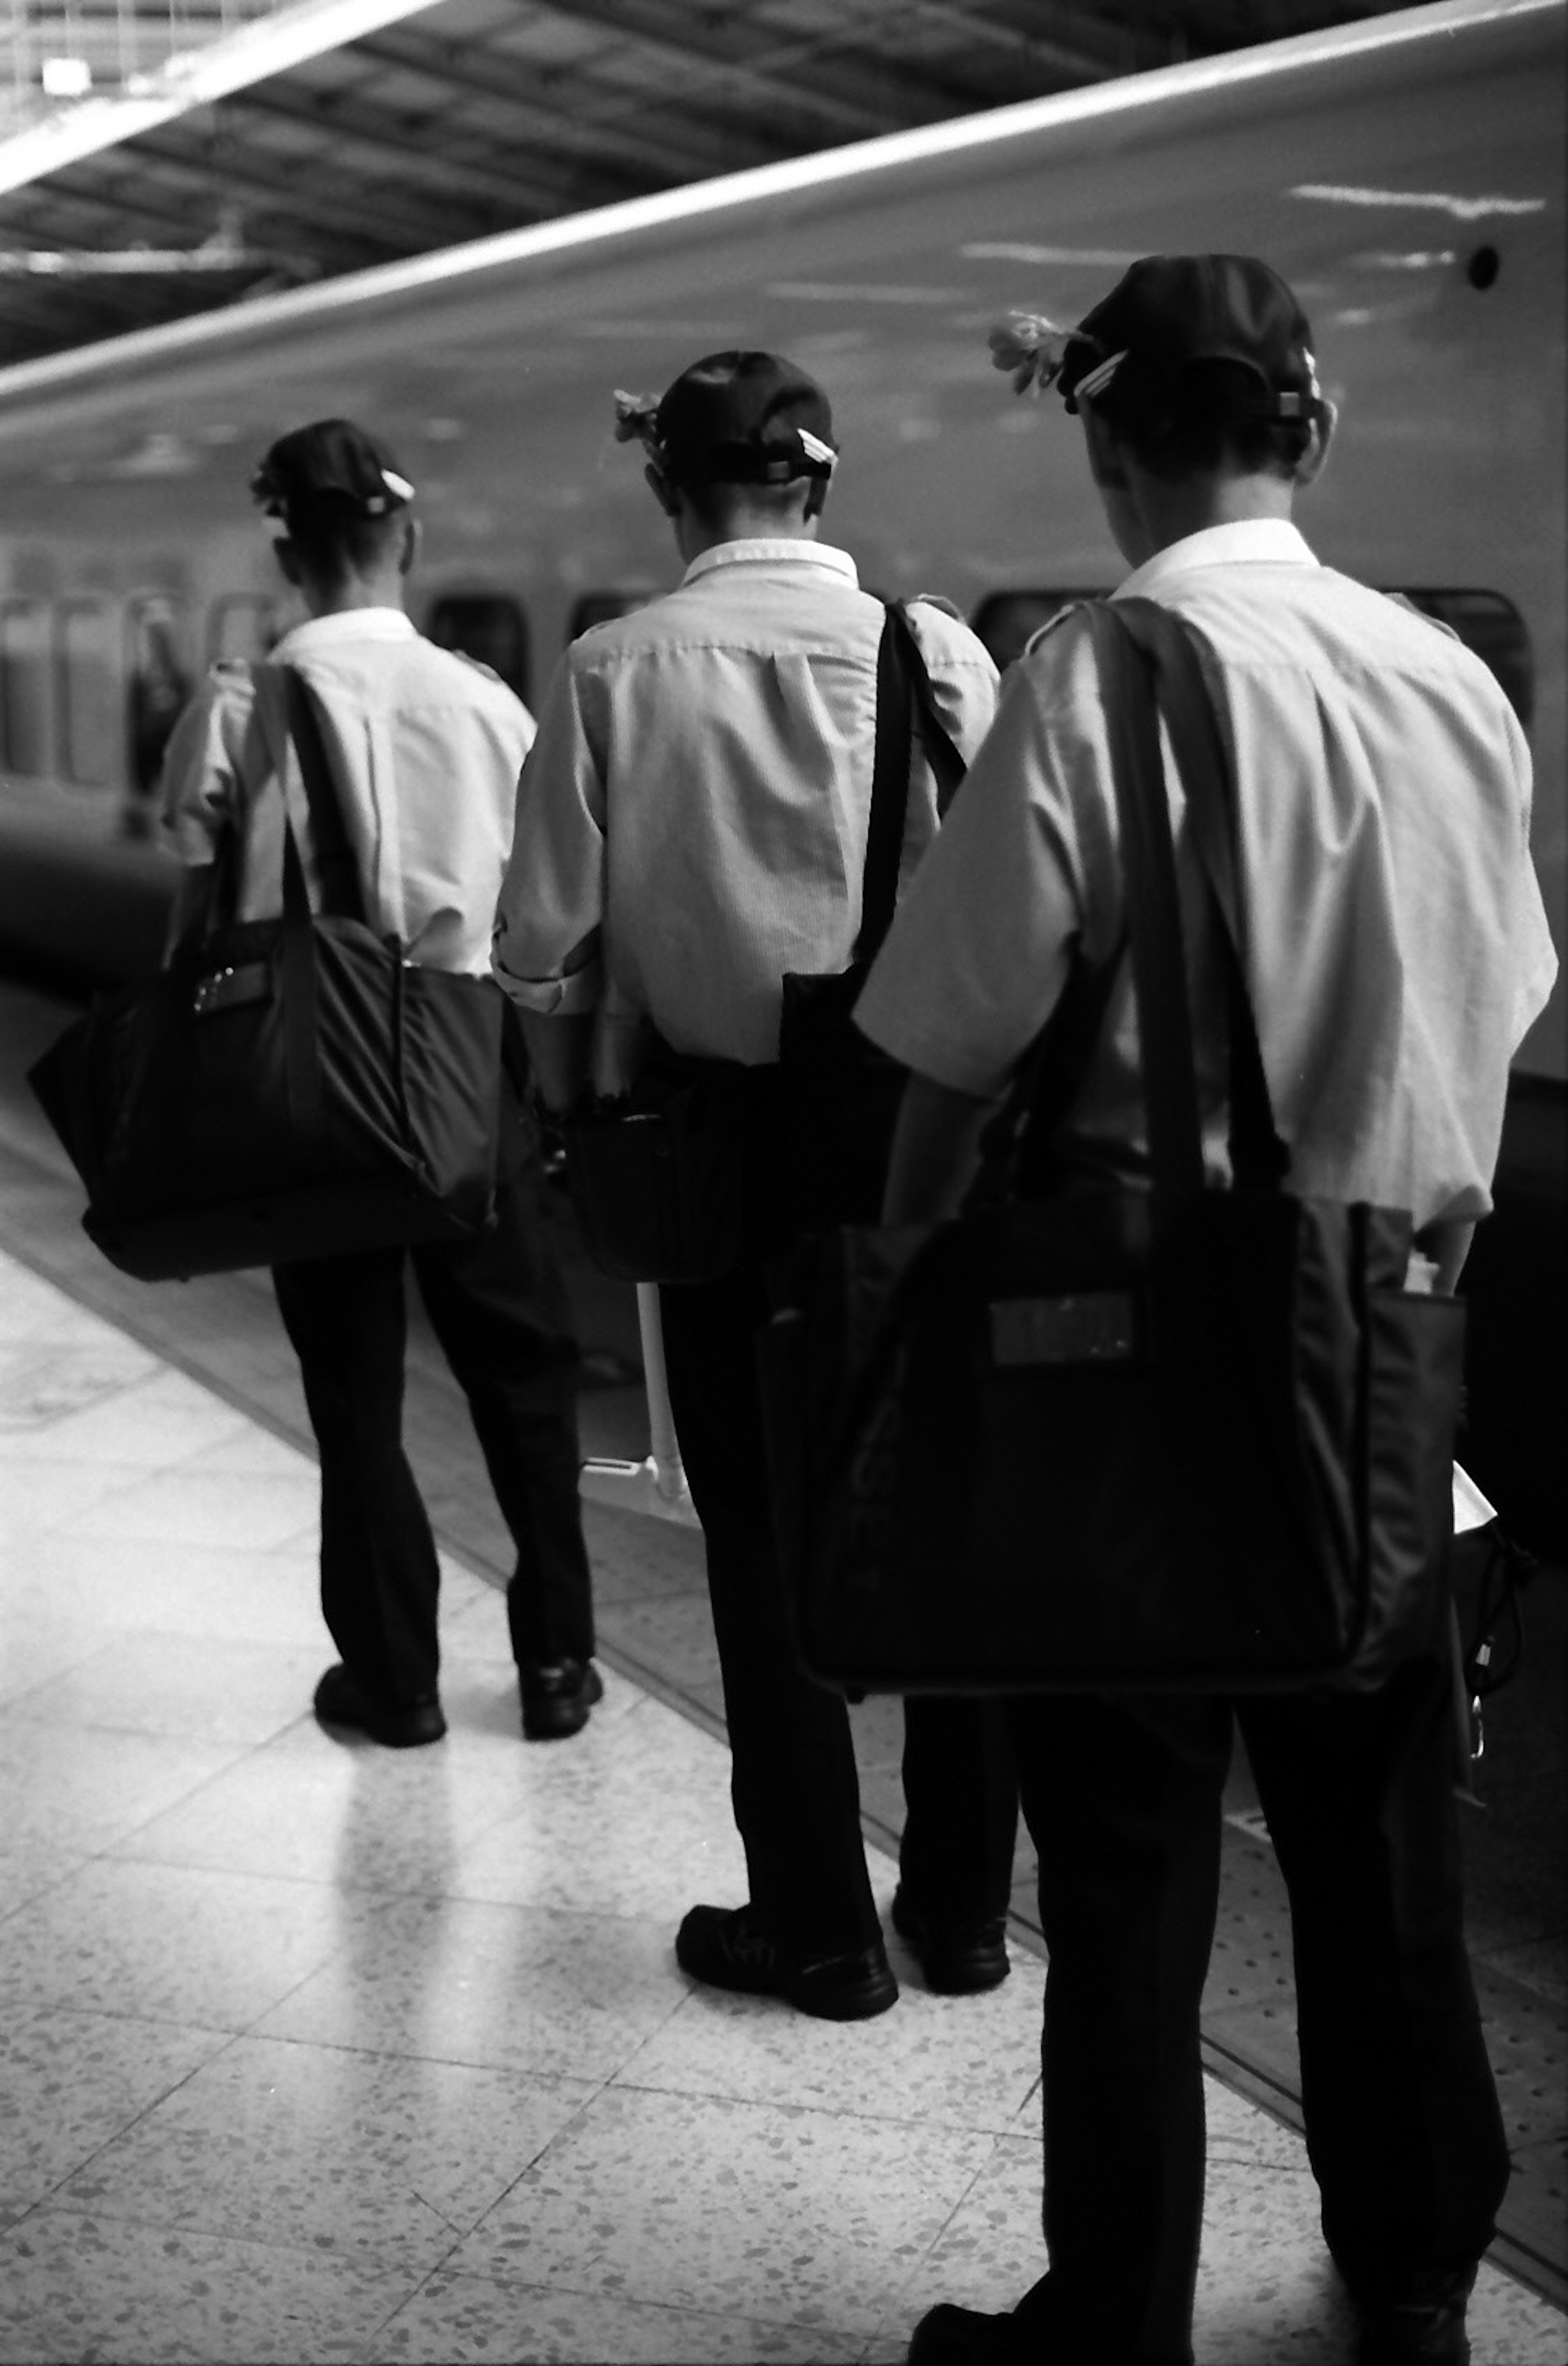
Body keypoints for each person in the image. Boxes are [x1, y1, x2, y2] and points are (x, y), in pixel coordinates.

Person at [853, 258, 1558, 2364]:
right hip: (1395, 1344)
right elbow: (1508, 995)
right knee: (1377, 1840)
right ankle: (1421, 2267)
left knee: (1138, 1857)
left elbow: (955, 1044)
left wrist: (904, 1289)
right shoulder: (1454, 681)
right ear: (1313, 437)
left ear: (1105, 443)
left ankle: (1119, 2314)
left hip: (1138, 1376)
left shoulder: (1101, 671)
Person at [493, 349, 1017, 2018]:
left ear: (671, 491)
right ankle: (961, 1914)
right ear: (826, 484)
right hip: (924, 1145)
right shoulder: (930, 648)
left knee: (758, 1532)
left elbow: (536, 945)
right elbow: (1020, 897)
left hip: (723, 1148)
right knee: (952, 1508)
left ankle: (815, 1928)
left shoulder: (613, 666)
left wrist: (598, 1030)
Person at [160, 417, 601, 1751]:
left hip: (309, 1086)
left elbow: (189, 935)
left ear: (284, 550)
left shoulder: (237, 704)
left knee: (352, 1393)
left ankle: (396, 1677)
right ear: (404, 539)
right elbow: (546, 915)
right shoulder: (486, 702)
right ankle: (559, 1664)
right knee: (522, 1379)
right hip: (470, 1065)